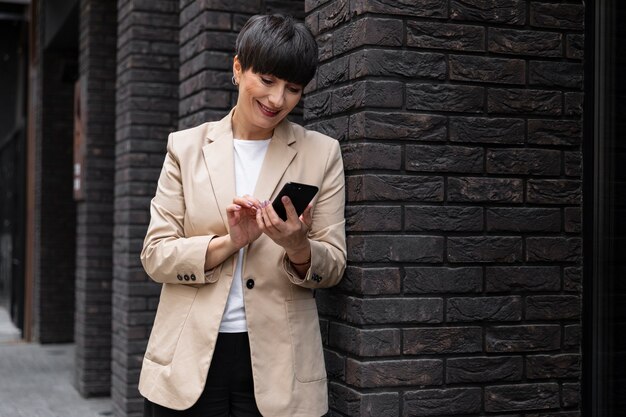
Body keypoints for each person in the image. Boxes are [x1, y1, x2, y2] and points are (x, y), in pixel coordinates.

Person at [139, 14, 347, 417]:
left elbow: (334, 264)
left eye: (293, 89)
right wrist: (231, 242)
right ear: (238, 68)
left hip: (279, 367)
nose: (277, 100)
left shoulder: (321, 154)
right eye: (267, 80)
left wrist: (298, 247)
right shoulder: (185, 149)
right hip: (188, 361)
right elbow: (155, 255)